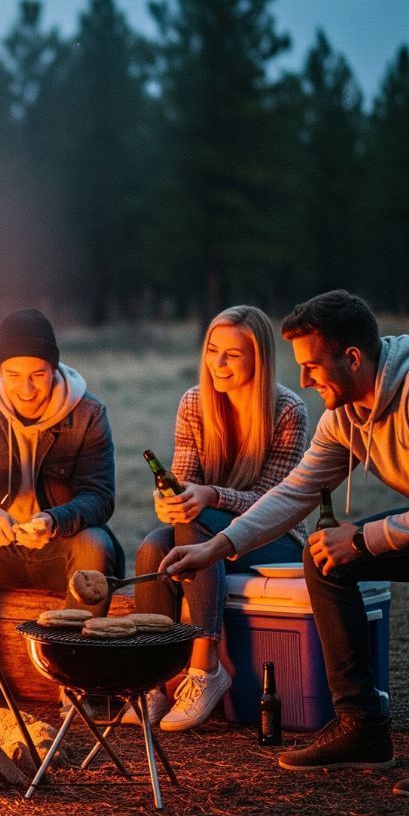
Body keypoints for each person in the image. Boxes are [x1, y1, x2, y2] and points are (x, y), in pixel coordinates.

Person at [164, 290, 409, 798]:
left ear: (352, 358)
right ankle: (363, 728)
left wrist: (363, 537)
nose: (305, 380)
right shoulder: (345, 416)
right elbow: (293, 494)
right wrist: (216, 547)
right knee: (323, 554)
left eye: (313, 367)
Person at [127, 305, 307, 731]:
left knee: (191, 527)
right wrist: (171, 501)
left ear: (258, 358)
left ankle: (206, 669)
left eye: (233, 355)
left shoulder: (288, 410)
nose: (218, 364)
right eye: (212, 350)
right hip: (204, 529)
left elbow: (274, 502)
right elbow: (184, 481)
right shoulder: (194, 402)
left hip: (275, 539)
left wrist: (209, 495)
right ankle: (154, 678)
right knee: (154, 546)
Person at [0, 308, 122, 712]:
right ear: (0, 370)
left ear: (53, 369)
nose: (26, 388)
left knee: (94, 543)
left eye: (37, 374)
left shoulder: (88, 415)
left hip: (58, 550)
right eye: (14, 375)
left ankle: (75, 677)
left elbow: (100, 496)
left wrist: (54, 520)